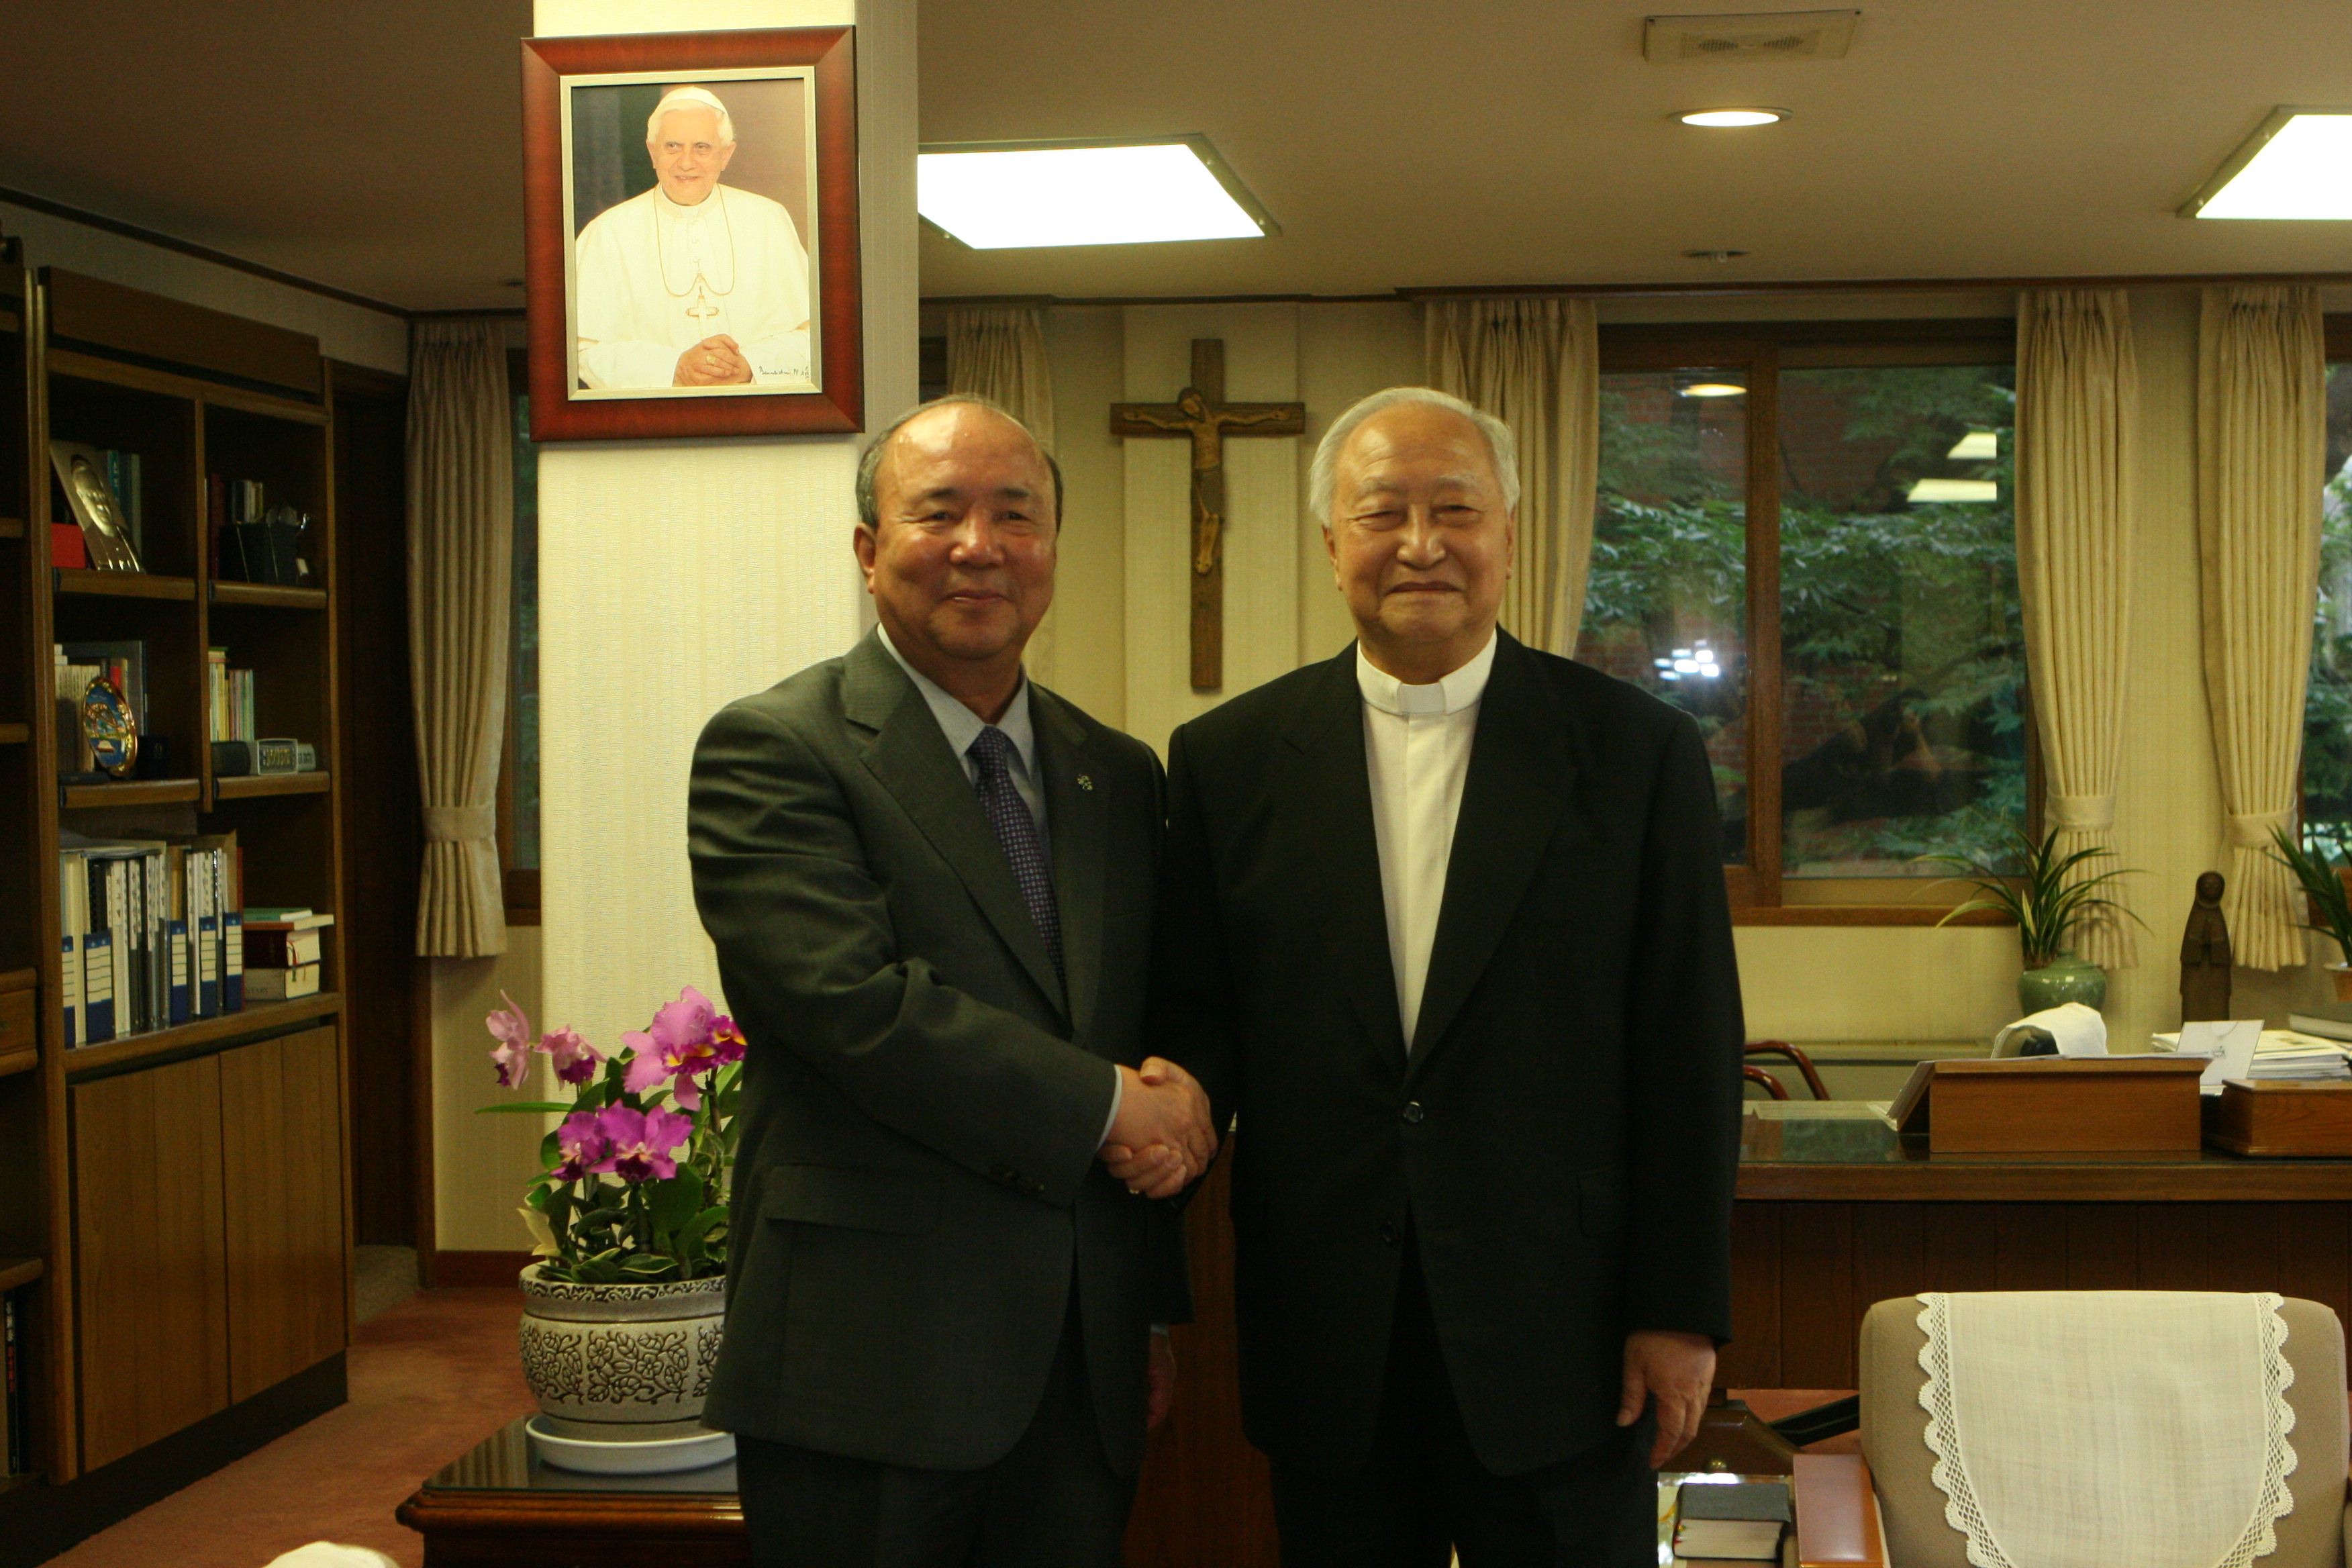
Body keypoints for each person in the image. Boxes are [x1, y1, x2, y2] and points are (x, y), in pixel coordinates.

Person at [1134, 387, 1745, 1566]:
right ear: (1329, 544)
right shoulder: (1227, 762)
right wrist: (1171, 1105)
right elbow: (1196, 1019)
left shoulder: (1633, 755)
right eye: (1381, 513)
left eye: (1453, 509)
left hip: (1561, 1335)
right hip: (1327, 1332)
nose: (1419, 544)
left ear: (1509, 534)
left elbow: (1684, 1049)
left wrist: (1675, 1309)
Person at [689, 395, 1217, 1567]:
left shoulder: (1115, 775)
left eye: (1013, 514)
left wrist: (1145, 1297)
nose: (979, 545)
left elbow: (1148, 1023)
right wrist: (1115, 1107)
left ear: (1050, 550)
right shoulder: (777, 747)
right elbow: (851, 1007)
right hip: (867, 1360)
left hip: (1078, 1366)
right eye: (938, 513)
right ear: (870, 552)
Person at [573, 85, 813, 391]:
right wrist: (675, 368)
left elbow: (815, 337)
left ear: (726, 154)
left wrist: (750, 364)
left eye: (702, 147)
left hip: (758, 415)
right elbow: (584, 350)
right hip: (653, 423)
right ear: (652, 152)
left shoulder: (768, 220)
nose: (686, 162)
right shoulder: (608, 232)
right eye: (673, 146)